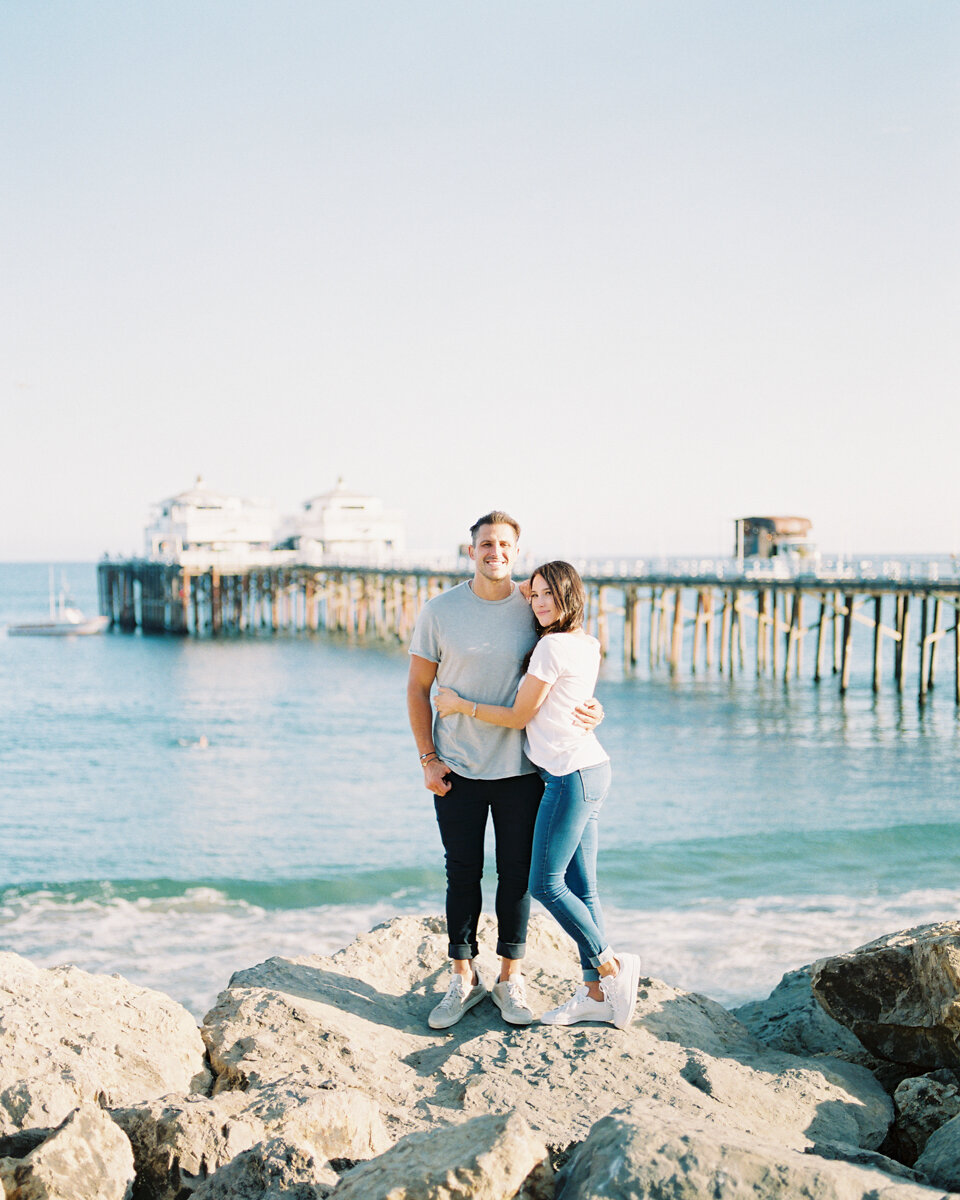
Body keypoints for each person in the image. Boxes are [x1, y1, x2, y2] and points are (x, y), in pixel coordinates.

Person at [407, 513, 601, 1030]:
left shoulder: (533, 604)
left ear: (516, 550)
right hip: (457, 767)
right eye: (486, 543)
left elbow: (569, 666)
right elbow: (416, 688)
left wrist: (593, 707)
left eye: (505, 544)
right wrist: (427, 757)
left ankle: (510, 979)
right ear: (471, 551)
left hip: (523, 769)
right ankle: (462, 978)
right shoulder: (440, 610)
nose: (496, 550)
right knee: (461, 873)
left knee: (517, 877)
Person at [434, 560, 640, 1029]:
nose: (540, 601)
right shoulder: (587, 643)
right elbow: (571, 701)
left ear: (570, 595)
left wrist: (457, 704)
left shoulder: (550, 648)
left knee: (546, 882)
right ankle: (594, 994)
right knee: (584, 889)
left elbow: (518, 717)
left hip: (569, 775)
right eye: (535, 594)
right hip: (592, 769)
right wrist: (528, 587)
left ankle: (611, 968)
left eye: (551, 594)